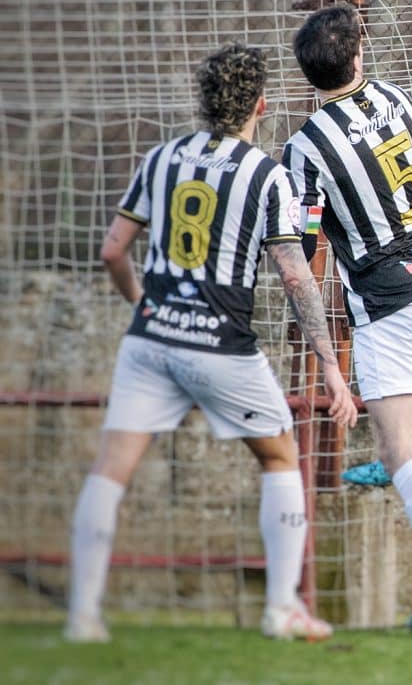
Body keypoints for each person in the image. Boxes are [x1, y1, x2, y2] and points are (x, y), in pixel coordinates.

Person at [66, 43, 356, 643]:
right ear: (260, 104)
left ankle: (83, 615)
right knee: (279, 458)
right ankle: (281, 609)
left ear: (203, 102)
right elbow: (297, 277)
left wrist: (140, 302)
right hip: (221, 345)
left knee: (111, 470)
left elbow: (113, 251)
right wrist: (330, 367)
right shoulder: (267, 175)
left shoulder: (162, 157)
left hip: (151, 338)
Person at [283, 4, 412, 639]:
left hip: (391, 299)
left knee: (400, 447)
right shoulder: (395, 97)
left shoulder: (305, 147)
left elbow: (305, 246)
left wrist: (323, 348)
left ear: (307, 74)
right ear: (356, 58)